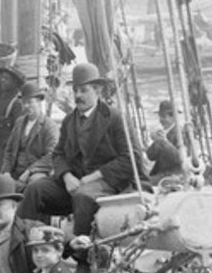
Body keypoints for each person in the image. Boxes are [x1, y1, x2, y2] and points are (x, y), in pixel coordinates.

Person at [18, 62, 138, 236]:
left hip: (108, 182)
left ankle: (82, 249)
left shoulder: (115, 118)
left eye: (83, 90)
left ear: (98, 91)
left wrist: (93, 177)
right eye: (75, 90)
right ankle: (24, 241)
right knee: (35, 189)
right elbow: (58, 154)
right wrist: (67, 177)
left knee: (83, 196)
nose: (78, 95)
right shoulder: (69, 121)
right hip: (74, 181)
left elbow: (130, 158)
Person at [0, 82, 59, 190]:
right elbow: (9, 150)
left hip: (37, 172)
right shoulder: (19, 122)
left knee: (35, 182)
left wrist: (29, 171)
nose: (26, 106)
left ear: (39, 102)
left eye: (30, 102)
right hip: (15, 170)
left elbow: (52, 155)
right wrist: (6, 171)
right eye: (23, 102)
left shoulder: (49, 126)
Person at [0, 66, 24, 168]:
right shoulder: (2, 98)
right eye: (1, 77)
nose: (2, 80)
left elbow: (18, 129)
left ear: (15, 82)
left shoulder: (17, 102)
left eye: (6, 78)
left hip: (7, 145)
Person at [146, 100, 184, 184]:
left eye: (163, 117)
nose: (161, 120)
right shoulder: (162, 132)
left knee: (141, 184)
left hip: (175, 175)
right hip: (161, 173)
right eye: (160, 116)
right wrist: (155, 141)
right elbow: (151, 156)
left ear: (173, 117)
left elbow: (180, 159)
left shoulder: (182, 133)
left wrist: (164, 142)